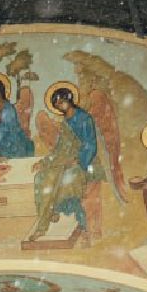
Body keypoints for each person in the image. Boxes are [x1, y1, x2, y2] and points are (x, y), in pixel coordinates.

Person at [27, 84, 108, 246]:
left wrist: (78, 160)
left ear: (69, 100)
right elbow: (61, 148)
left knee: (67, 183)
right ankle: (46, 220)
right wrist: (45, 162)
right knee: (42, 179)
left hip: (86, 162)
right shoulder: (65, 123)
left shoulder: (84, 118)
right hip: (67, 161)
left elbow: (90, 144)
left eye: (62, 101)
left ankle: (83, 228)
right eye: (57, 104)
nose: (60, 105)